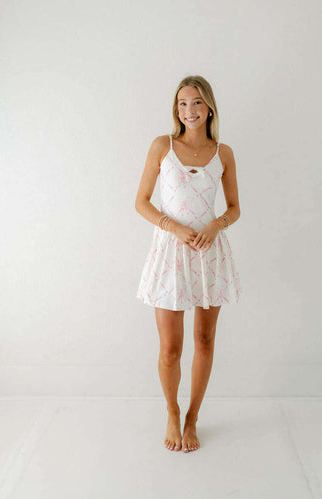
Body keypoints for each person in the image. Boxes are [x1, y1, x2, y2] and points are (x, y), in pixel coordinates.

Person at [135, 75, 242, 453]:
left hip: (208, 253)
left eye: (196, 102)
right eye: (182, 103)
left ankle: (193, 417)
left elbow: (234, 208)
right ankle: (172, 411)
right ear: (175, 109)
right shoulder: (161, 146)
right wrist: (173, 227)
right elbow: (141, 201)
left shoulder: (223, 152)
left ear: (209, 107)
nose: (189, 110)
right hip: (171, 254)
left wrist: (216, 224)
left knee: (204, 340)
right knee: (170, 348)